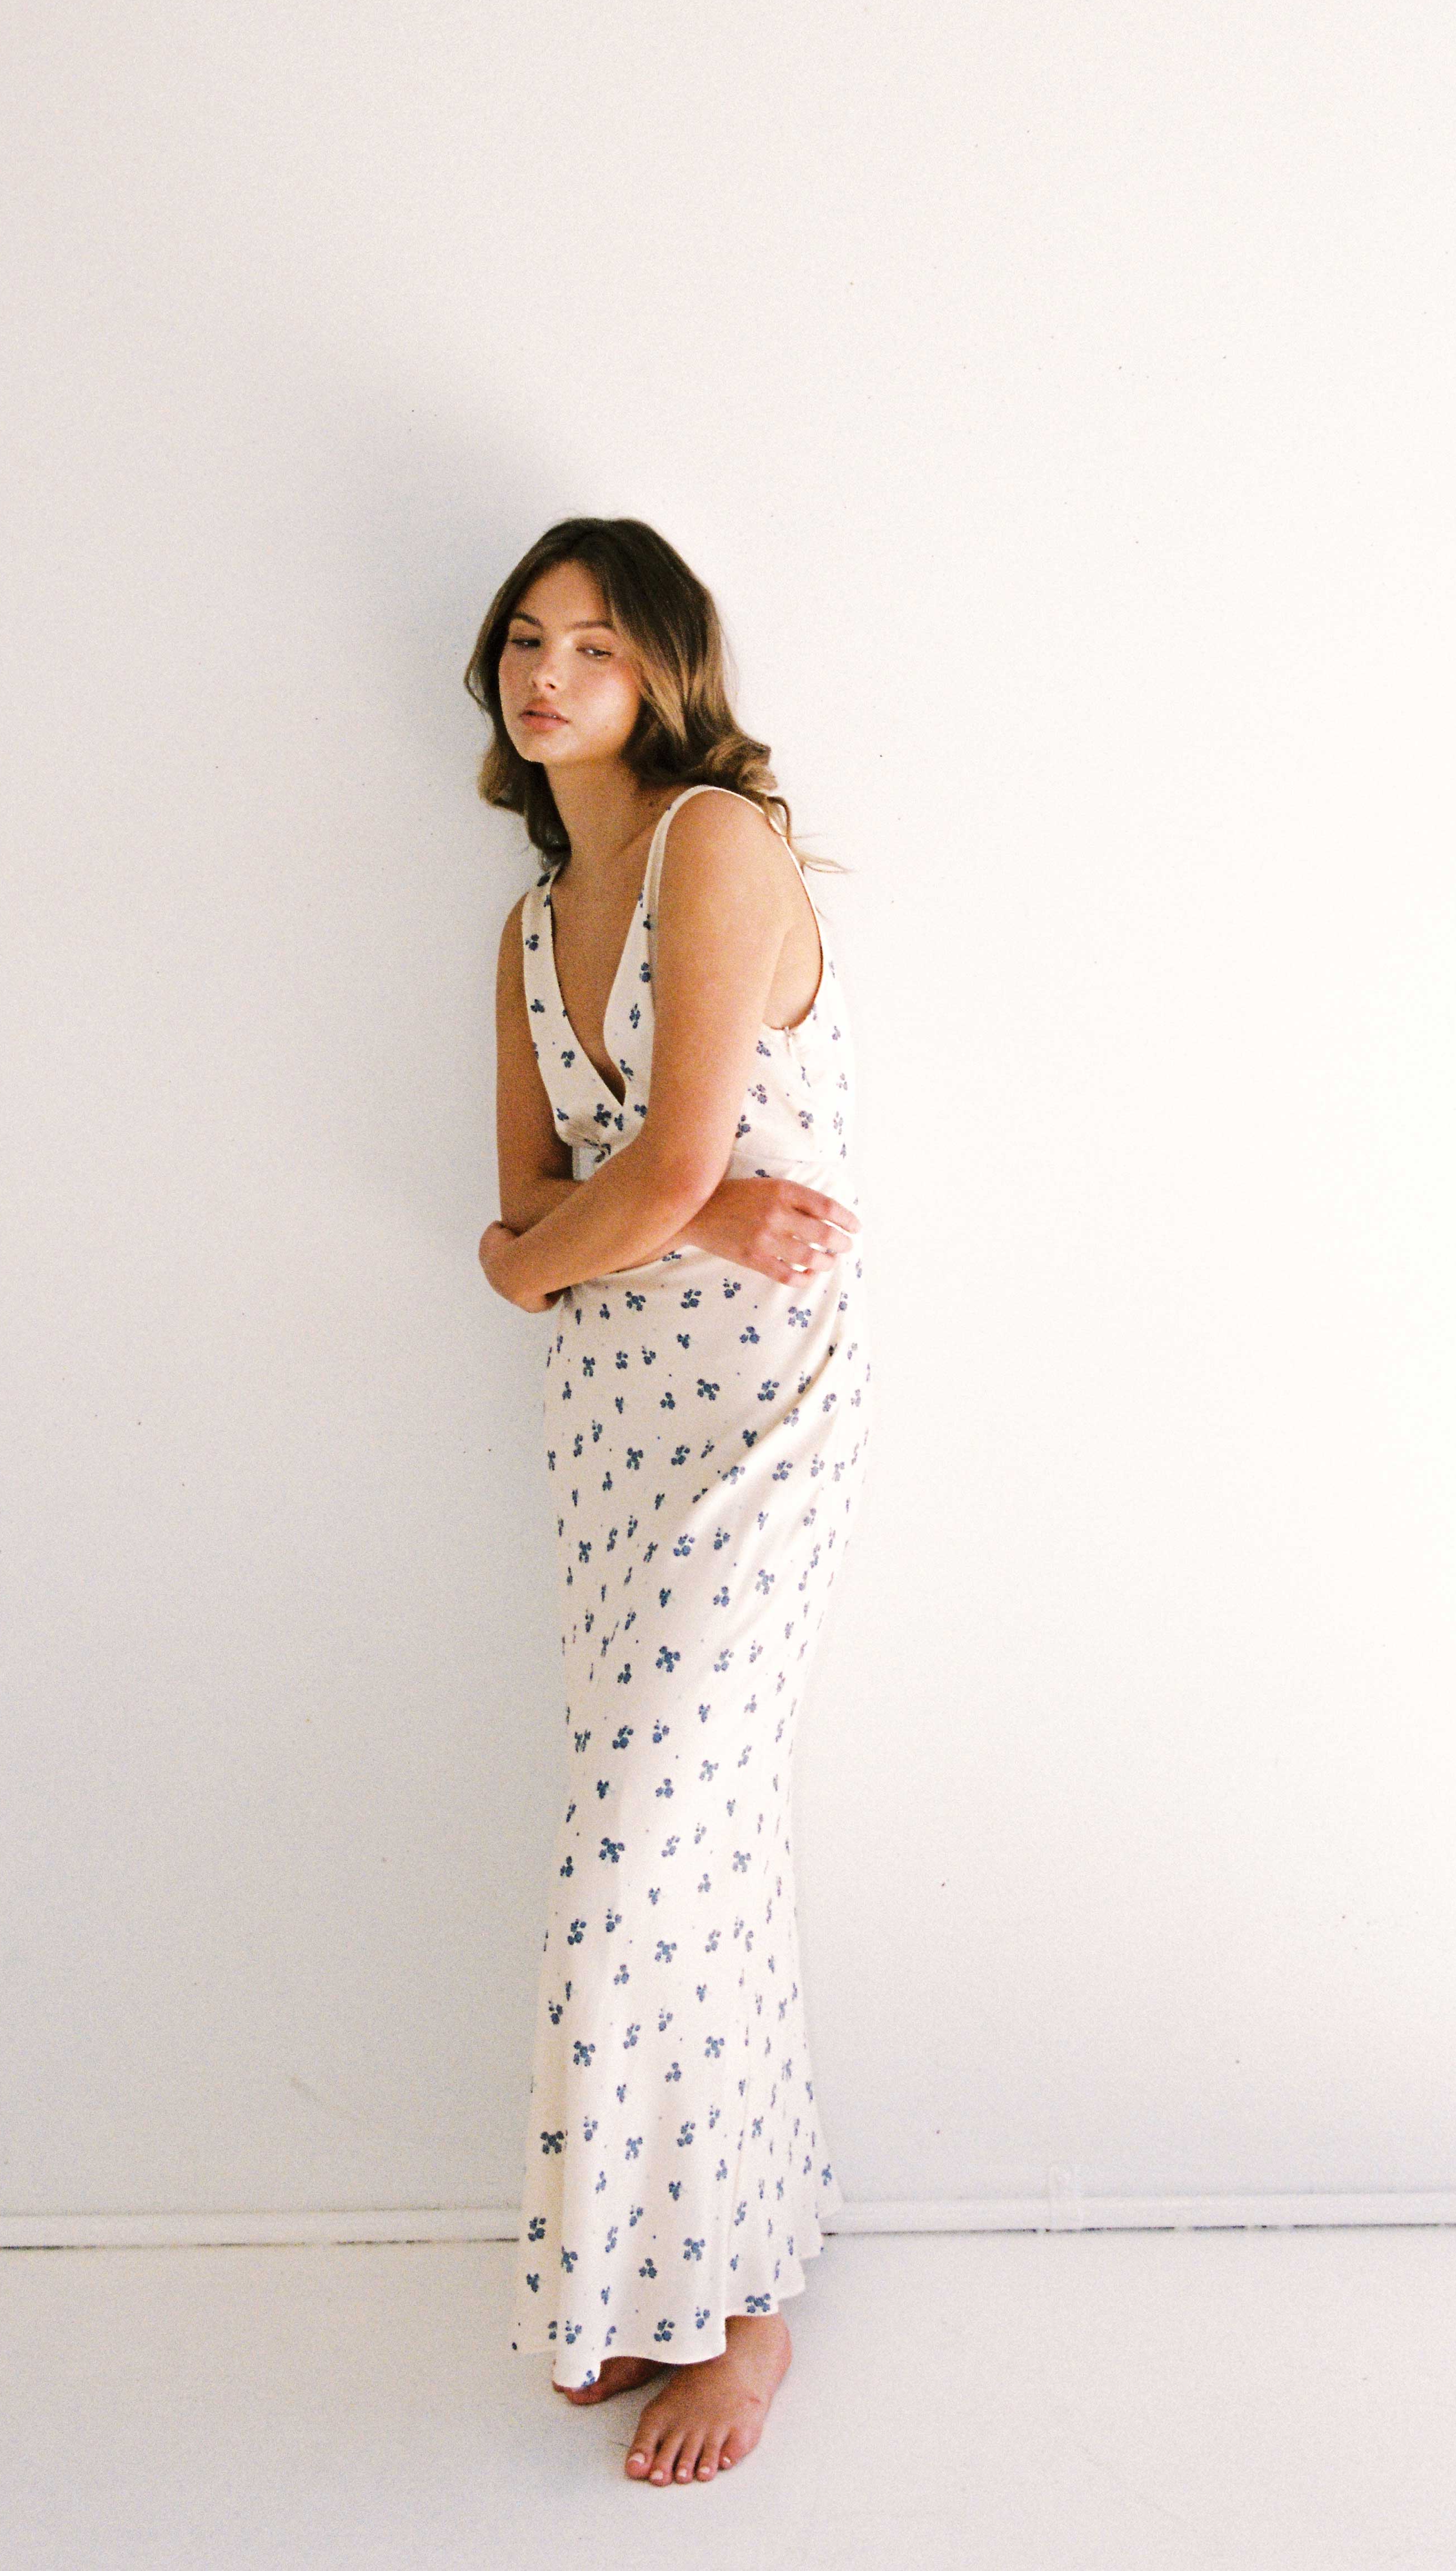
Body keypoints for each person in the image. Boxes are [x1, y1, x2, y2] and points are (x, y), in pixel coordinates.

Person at [464, 516, 876, 2488]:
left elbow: (555, 1221)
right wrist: (667, 1216)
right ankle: (652, 2279)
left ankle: (745, 2309)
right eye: (524, 644)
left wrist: (596, 1225)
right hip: (605, 1423)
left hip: (757, 1415)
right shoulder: (532, 924)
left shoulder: (715, 844)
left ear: (665, 678)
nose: (549, 677)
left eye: (594, 649)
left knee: (639, 1854)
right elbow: (534, 1214)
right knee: (682, 1848)